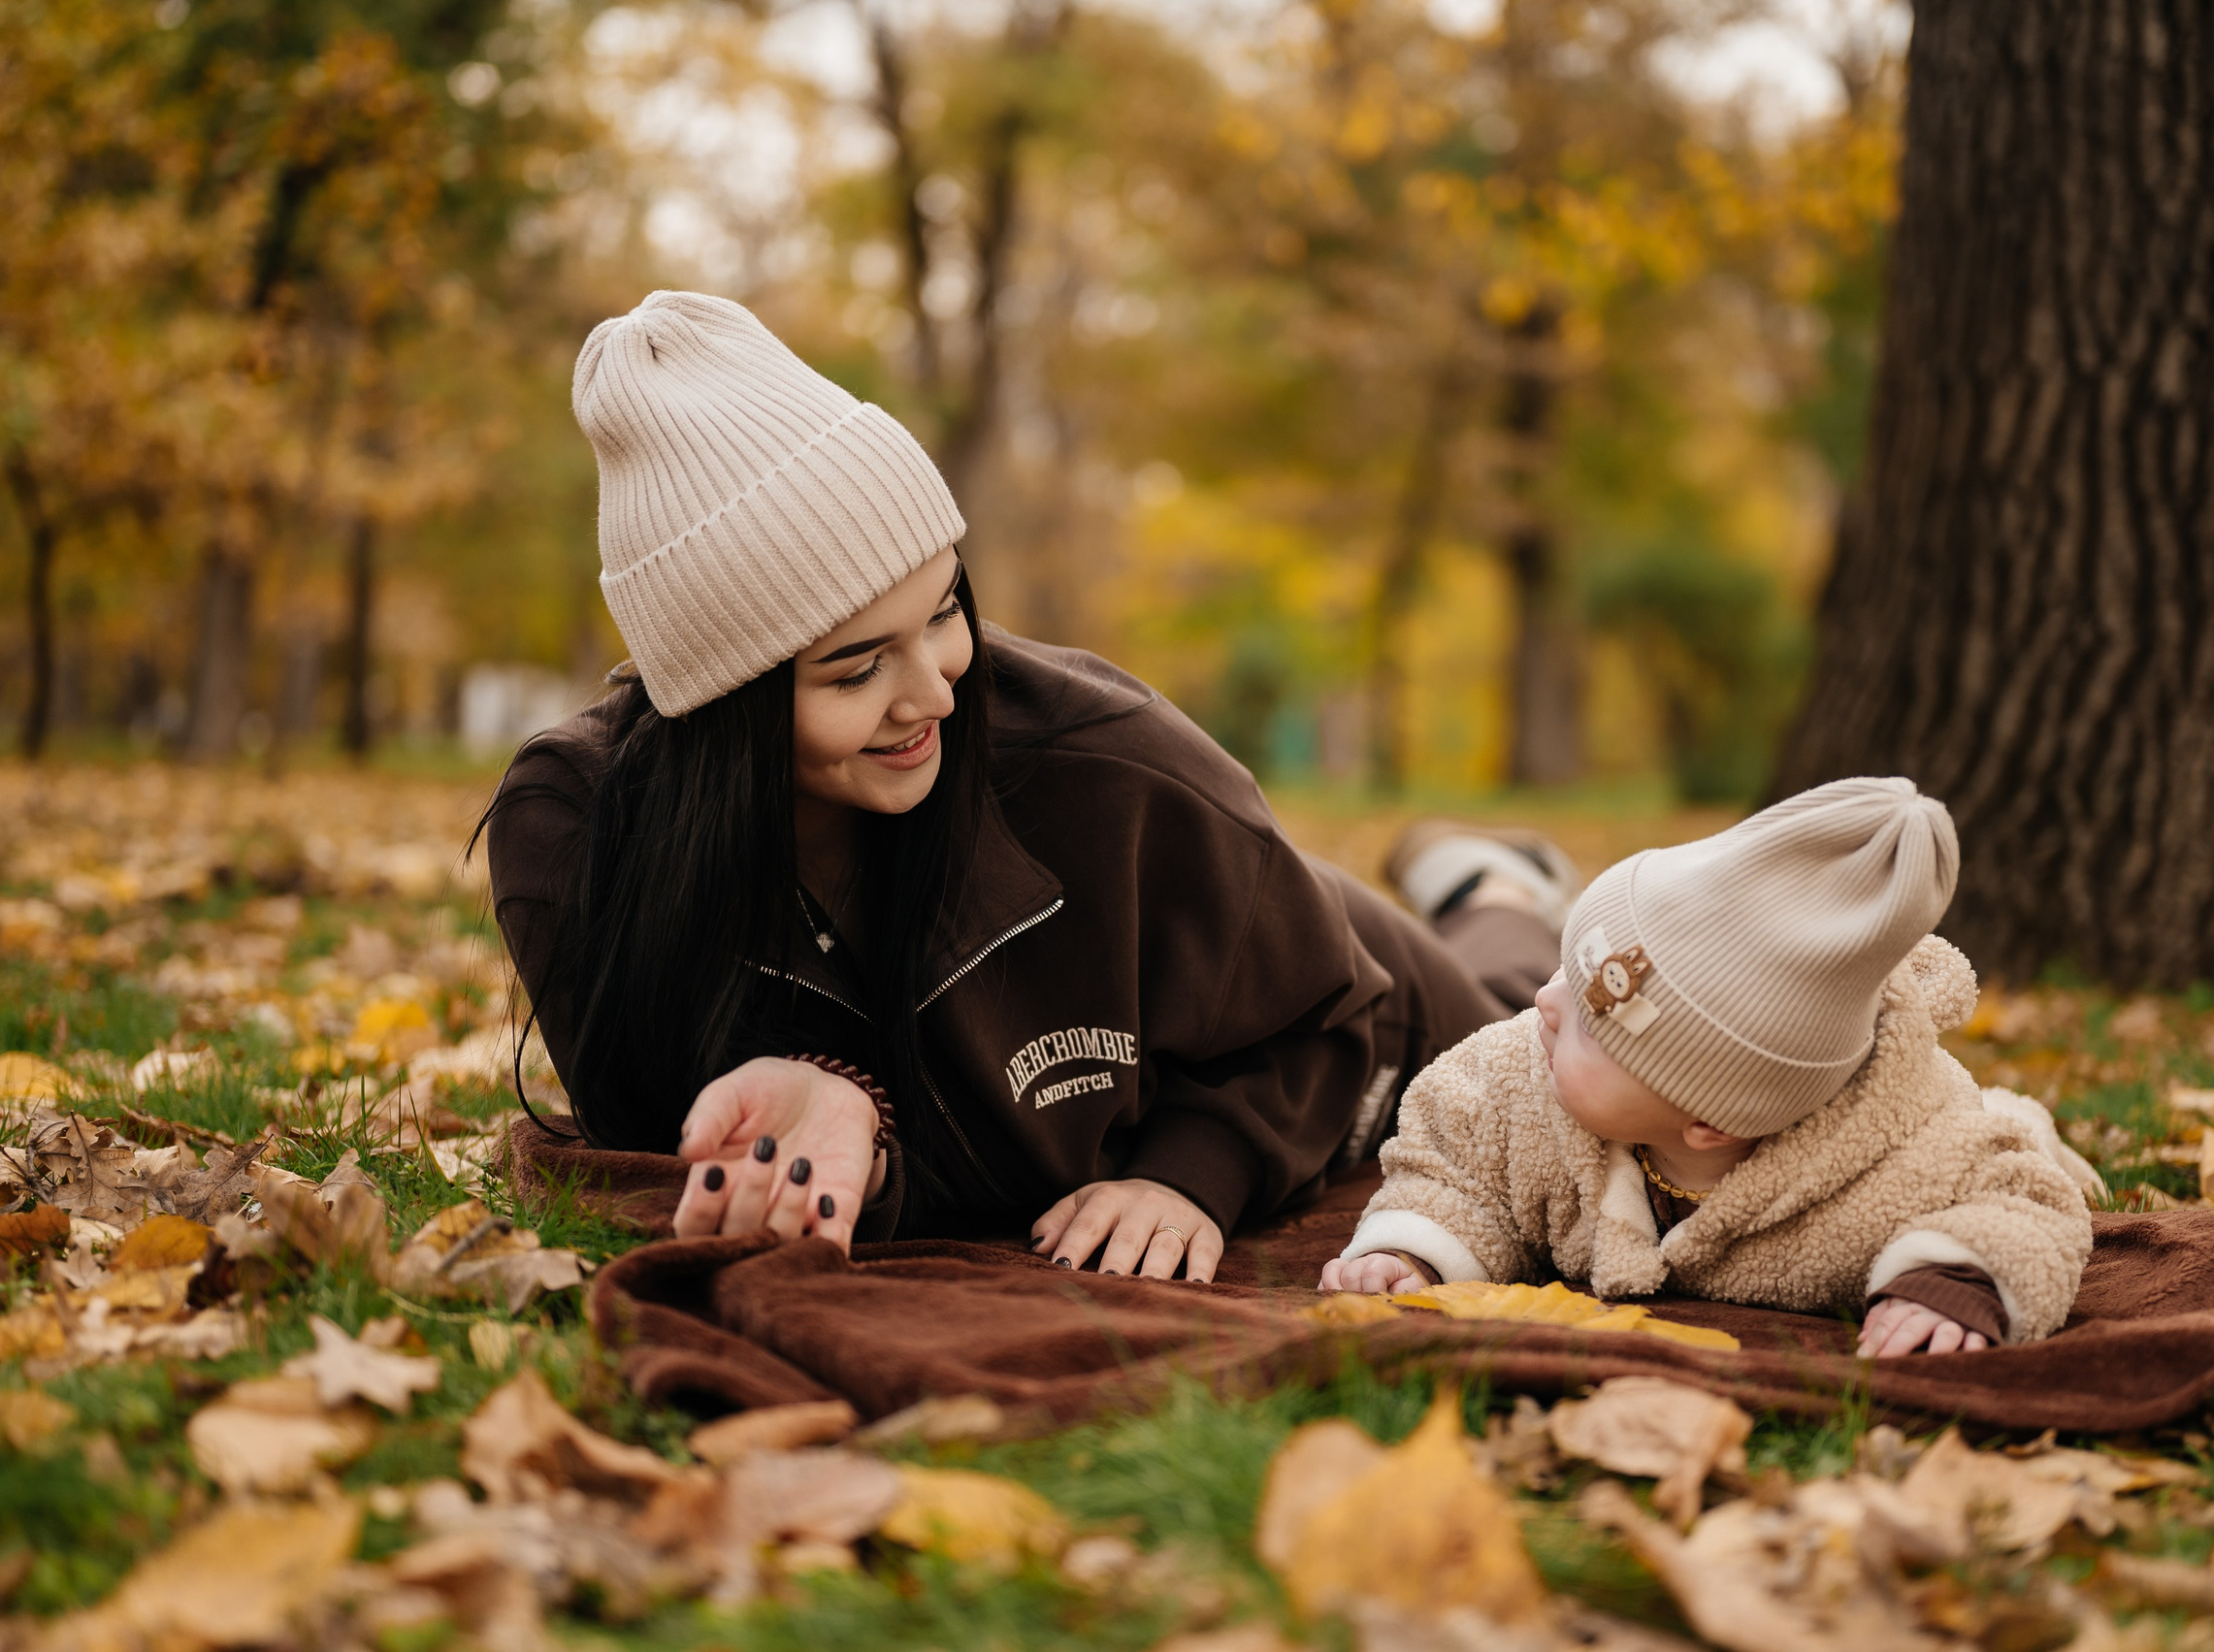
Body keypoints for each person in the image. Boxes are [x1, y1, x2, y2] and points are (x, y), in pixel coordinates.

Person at [483, 290, 1569, 1282]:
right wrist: (839, 1098)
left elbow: (1330, 1011)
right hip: (1183, 994)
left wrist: (1194, 1169)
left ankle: (1496, 891)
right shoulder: (578, 837)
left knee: (1548, 1052)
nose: (936, 694)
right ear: (719, 704)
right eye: (858, 667)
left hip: (1330, 995)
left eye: (945, 611)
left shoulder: (1112, 760)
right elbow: (691, 1144)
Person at [1319, 779, 2101, 1356]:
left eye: (1597, 1029)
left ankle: (2025, 1113)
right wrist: (1415, 1247)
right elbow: (1455, 1159)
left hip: (1936, 1124)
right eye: (1565, 968)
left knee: (2008, 1127)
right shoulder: (1518, 1079)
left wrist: (1954, 1279)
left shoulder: (1896, 1163)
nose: (1546, 1001)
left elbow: (2019, 1199)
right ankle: (1498, 883)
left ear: (1710, 1118)